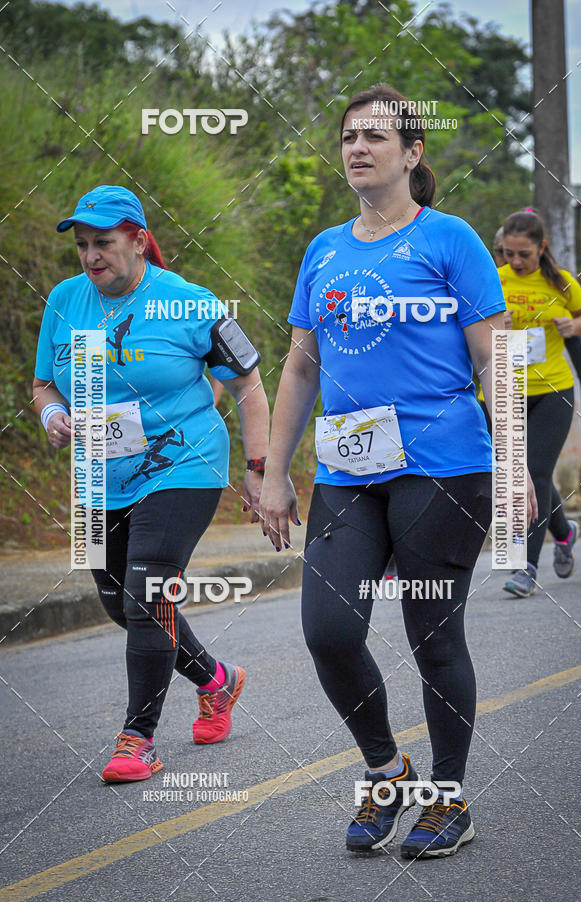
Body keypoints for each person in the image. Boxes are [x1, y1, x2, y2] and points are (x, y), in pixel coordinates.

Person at [258, 84, 536, 859]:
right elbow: (300, 366)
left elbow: (497, 357)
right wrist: (276, 472)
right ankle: (388, 770)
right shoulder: (324, 250)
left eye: (375, 136)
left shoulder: (450, 241)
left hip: (442, 467)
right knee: (328, 630)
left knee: (432, 638)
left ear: (412, 154)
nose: (357, 147)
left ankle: (448, 800)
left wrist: (514, 465)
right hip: (347, 472)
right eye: (348, 136)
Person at [33, 185, 269, 782]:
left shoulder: (190, 303)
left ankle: (137, 738)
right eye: (83, 245)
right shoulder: (64, 300)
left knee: (149, 593)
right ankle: (217, 680)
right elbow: (44, 384)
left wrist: (259, 468)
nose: (91, 256)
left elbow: (248, 383)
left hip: (181, 467)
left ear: (138, 240)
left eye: (103, 243)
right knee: (122, 605)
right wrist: (50, 414)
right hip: (96, 476)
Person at [490, 222, 581, 579]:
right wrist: (494, 326)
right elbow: (466, 329)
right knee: (515, 474)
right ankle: (565, 534)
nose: (516, 261)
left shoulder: (560, 280)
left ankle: (527, 566)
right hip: (505, 390)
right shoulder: (494, 279)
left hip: (552, 391)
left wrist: (572, 326)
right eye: (509, 253)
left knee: (534, 472)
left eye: (524, 254)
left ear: (541, 247)